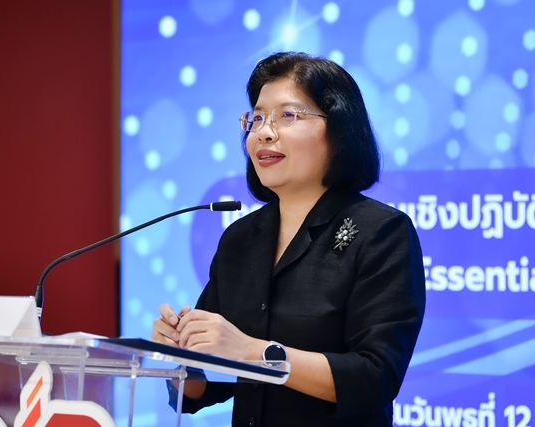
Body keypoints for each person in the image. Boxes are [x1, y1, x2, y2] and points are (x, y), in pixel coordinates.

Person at [151, 51, 426, 426]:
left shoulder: (382, 232)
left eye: (288, 115)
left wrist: (253, 351)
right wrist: (178, 356)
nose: (264, 132)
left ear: (339, 131)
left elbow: (375, 376)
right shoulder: (239, 239)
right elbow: (207, 388)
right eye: (257, 118)